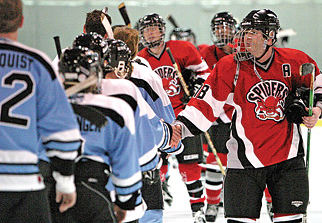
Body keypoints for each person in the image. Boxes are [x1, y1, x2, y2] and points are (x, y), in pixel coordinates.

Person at [173, 9, 322, 223]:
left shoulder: (295, 61)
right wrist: (179, 128)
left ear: (269, 36)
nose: (245, 38)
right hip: (243, 162)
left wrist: (317, 110)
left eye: (252, 33)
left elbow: (321, 88)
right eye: (244, 32)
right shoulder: (230, 66)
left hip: (288, 160)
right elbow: (204, 104)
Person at [0, 0, 83, 222]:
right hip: (24, 186)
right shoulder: (37, 64)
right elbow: (63, 134)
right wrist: (66, 182)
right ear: (21, 21)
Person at [54, 46, 143, 223]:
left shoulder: (46, 107)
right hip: (93, 189)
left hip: (52, 190)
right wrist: (126, 201)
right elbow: (125, 163)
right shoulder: (115, 109)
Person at [137, 13, 211, 223]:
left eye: (154, 28)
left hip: (183, 118)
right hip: (157, 123)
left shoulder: (182, 49)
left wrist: (195, 86)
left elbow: (205, 74)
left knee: (190, 169)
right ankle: (153, 211)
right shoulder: (140, 58)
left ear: (162, 30)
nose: (151, 32)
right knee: (156, 168)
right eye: (147, 29)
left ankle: (198, 211)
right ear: (142, 34)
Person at [104, 38, 182, 223]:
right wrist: (171, 139)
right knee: (150, 214)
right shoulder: (130, 87)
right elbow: (153, 127)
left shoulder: (79, 89)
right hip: (136, 169)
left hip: (95, 174)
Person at [198, 11, 237, 222]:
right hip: (217, 120)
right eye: (218, 28)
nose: (222, 32)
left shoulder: (243, 53)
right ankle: (212, 204)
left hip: (240, 118)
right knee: (215, 163)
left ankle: (268, 202)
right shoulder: (204, 52)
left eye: (226, 27)